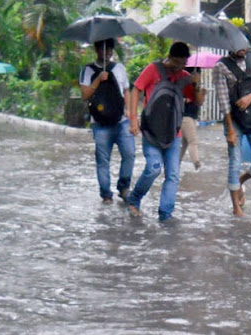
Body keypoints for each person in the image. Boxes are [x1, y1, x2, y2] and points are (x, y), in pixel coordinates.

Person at [127, 42, 198, 222]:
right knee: (153, 168)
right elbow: (136, 90)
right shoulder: (153, 69)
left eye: (184, 64)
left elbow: (196, 102)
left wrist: (196, 86)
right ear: (170, 57)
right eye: (178, 63)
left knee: (173, 174)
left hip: (174, 133)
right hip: (152, 131)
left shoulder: (185, 76)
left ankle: (165, 214)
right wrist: (133, 119)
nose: (180, 67)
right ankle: (135, 198)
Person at [213, 46, 251, 217]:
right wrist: (230, 129)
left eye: (244, 46)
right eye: (238, 47)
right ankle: (235, 207)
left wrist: (250, 96)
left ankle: (239, 182)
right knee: (235, 161)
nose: (242, 50)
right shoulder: (220, 67)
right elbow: (223, 102)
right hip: (234, 120)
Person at [79, 38, 136, 204]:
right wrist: (98, 80)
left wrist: (130, 113)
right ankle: (106, 194)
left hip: (121, 120)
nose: (108, 53)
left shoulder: (119, 68)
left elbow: (126, 90)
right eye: (105, 50)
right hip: (99, 123)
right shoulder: (88, 70)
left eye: (110, 50)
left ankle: (124, 187)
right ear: (97, 50)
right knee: (103, 160)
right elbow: (84, 95)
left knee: (130, 154)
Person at [180, 67, 206, 170]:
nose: (199, 77)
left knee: (184, 143)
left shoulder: (196, 86)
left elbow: (199, 102)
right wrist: (186, 99)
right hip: (185, 116)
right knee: (193, 140)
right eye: (198, 74)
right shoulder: (184, 85)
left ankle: (174, 164)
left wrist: (201, 94)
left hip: (191, 116)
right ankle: (197, 164)